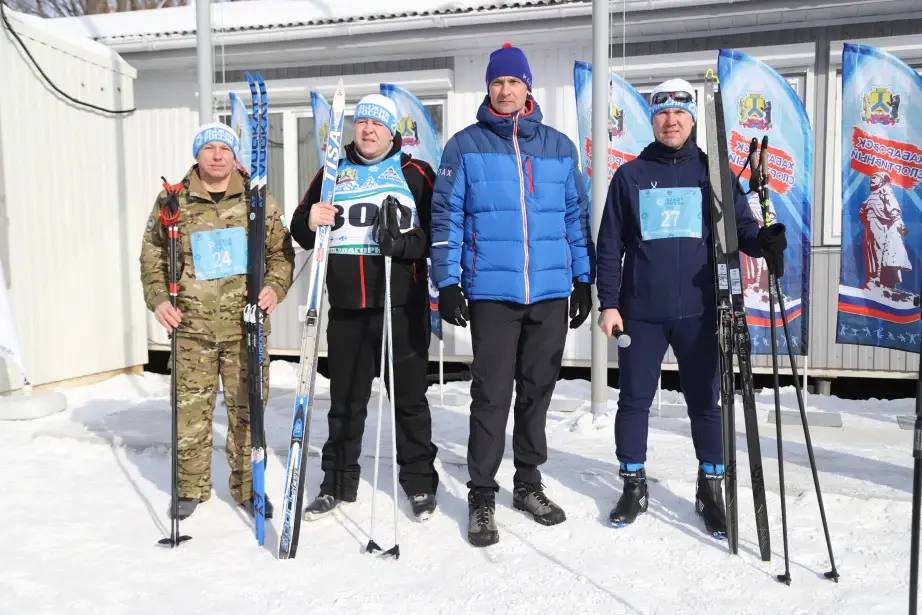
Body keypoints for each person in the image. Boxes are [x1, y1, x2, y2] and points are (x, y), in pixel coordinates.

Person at [595, 79, 787, 536]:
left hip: (702, 310)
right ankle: (633, 484)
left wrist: (765, 241)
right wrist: (609, 303)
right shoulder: (630, 176)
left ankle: (710, 488)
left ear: (693, 118)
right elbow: (608, 245)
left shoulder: (713, 173)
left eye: (680, 112)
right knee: (634, 401)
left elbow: (740, 229)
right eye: (662, 113)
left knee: (705, 402)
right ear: (653, 119)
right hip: (641, 311)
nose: (671, 120)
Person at [430, 43, 594, 547]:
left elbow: (575, 218)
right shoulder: (464, 146)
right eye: (498, 82)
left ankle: (528, 483)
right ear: (489, 88)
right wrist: (449, 281)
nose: (505, 90)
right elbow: (446, 217)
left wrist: (583, 279)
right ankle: (482, 491)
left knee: (538, 391)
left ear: (528, 88)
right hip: (492, 294)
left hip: (547, 291)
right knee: (492, 394)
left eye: (514, 82)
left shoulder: (559, 147)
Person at [289, 94, 440, 522]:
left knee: (410, 402)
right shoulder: (332, 173)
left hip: (400, 306)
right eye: (361, 123)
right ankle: (336, 482)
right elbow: (301, 227)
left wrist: (404, 244)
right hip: (348, 309)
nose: (368, 130)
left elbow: (438, 233)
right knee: (345, 403)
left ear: (392, 132)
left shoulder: (415, 174)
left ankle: (419, 483)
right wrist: (311, 219)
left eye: (377, 124)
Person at [140, 122, 294, 520]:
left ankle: (247, 487)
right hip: (191, 329)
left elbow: (281, 253)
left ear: (233, 155)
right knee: (190, 414)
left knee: (248, 412)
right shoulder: (172, 201)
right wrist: (158, 300)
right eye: (209, 148)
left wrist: (275, 289)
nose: (217, 155)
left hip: (245, 328)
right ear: (197, 155)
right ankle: (190, 488)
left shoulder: (258, 200)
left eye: (224, 149)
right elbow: (153, 255)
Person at [860, 171, 911, 291]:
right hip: (870, 225)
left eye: (875, 177)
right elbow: (864, 210)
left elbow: (893, 207)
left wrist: (899, 224)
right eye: (871, 177)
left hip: (880, 225)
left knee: (878, 250)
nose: (872, 179)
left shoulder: (885, 190)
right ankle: (874, 279)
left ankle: (877, 279)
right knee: (871, 251)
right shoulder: (872, 194)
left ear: (882, 180)